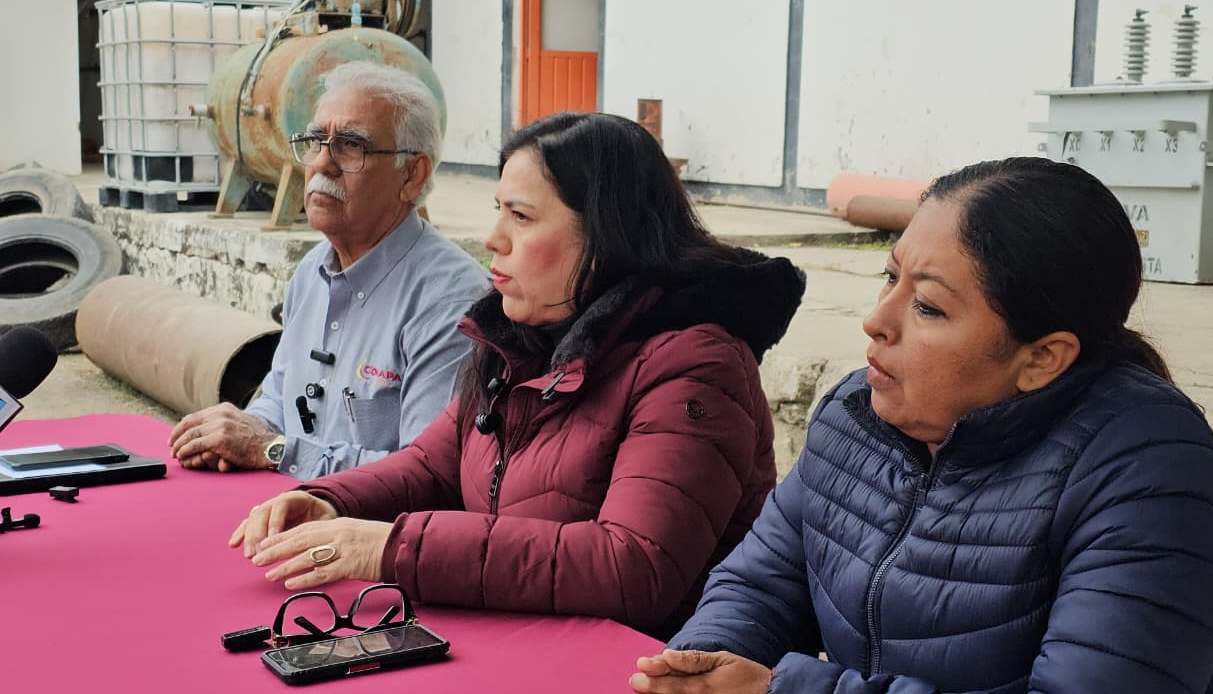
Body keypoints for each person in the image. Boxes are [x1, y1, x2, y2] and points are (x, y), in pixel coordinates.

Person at [630, 157, 1213, 694]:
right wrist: (701, 665)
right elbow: (760, 584)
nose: (877, 321)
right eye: (889, 277)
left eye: (929, 306)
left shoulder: (1144, 466)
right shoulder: (858, 414)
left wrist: (785, 689)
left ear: (1042, 358)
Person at [227, 111, 806, 637]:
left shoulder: (694, 365)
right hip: (522, 638)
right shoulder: (517, 335)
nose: (493, 239)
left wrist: (394, 548)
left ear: (606, 234)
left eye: (521, 217)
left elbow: (632, 566)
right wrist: (330, 500)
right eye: (498, 210)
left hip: (642, 664)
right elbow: (433, 464)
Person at [168, 62, 489, 481]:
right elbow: (279, 399)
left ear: (413, 175)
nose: (322, 163)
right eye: (316, 141)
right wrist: (234, 431)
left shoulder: (451, 304)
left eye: (350, 146)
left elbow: (426, 476)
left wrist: (274, 450)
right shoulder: (312, 270)